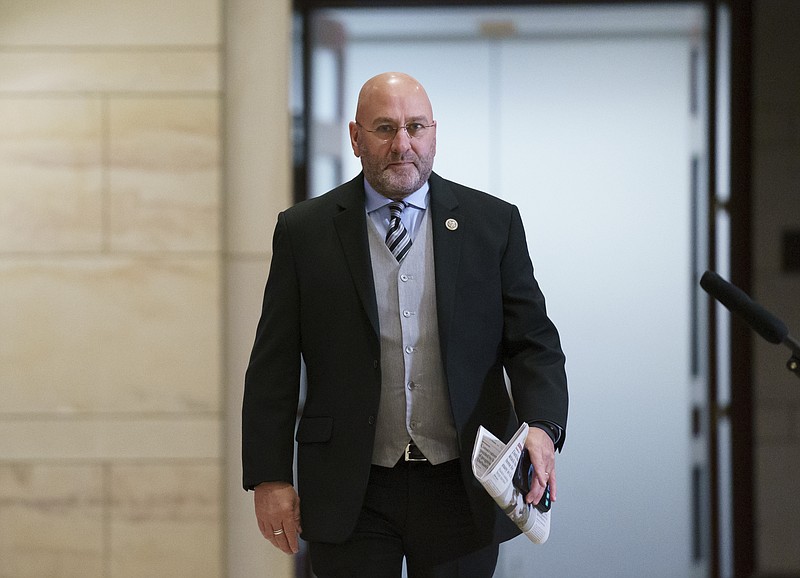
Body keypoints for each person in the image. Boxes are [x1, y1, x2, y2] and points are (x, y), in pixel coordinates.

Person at [242, 71, 568, 578]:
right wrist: (269, 477)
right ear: (355, 137)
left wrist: (544, 428)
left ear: (434, 134)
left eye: (416, 128)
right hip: (352, 486)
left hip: (463, 483)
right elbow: (274, 365)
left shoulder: (492, 224)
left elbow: (534, 344)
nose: (402, 144)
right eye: (385, 128)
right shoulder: (304, 231)